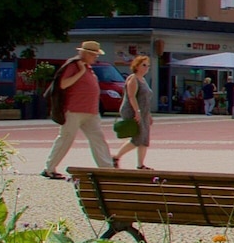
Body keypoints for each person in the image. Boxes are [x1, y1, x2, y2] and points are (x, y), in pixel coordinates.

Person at [42, 41, 113, 180]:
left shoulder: (88, 67)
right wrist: (80, 72)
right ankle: (49, 168)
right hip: (74, 110)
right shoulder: (74, 65)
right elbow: (63, 84)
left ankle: (107, 168)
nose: (96, 57)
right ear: (86, 53)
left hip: (90, 112)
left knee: (98, 139)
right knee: (66, 138)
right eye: (94, 55)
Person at [111, 56, 155, 169]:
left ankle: (140, 164)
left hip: (143, 111)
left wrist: (148, 114)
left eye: (148, 66)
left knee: (144, 138)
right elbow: (131, 96)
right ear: (136, 66)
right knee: (138, 138)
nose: (146, 68)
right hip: (132, 110)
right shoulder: (133, 78)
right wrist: (137, 111)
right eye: (143, 65)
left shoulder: (143, 79)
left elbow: (145, 99)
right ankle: (116, 157)